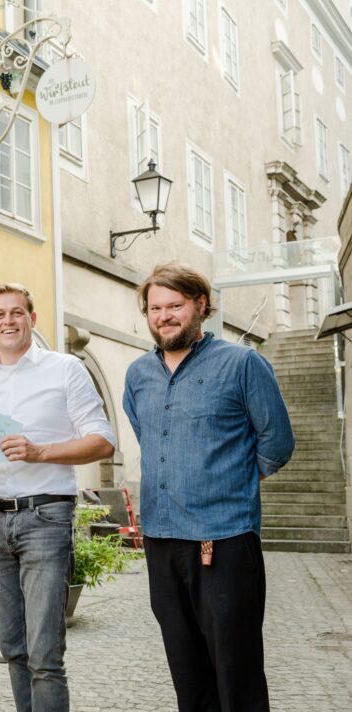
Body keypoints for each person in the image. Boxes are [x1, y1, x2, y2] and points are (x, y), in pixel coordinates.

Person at [123, 263, 294, 712]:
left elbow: (277, 442)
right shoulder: (138, 374)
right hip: (161, 540)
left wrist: (228, 481)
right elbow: (147, 434)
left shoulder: (242, 364)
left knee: (235, 671)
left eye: (175, 305)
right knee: (186, 671)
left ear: (201, 305)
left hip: (224, 539)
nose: (164, 316)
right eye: (155, 308)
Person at [0, 283, 115, 712]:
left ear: (32, 319)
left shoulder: (64, 369)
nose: (8, 320)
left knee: (44, 654)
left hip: (45, 516)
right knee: (12, 647)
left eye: (16, 312)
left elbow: (103, 441)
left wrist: (42, 451)